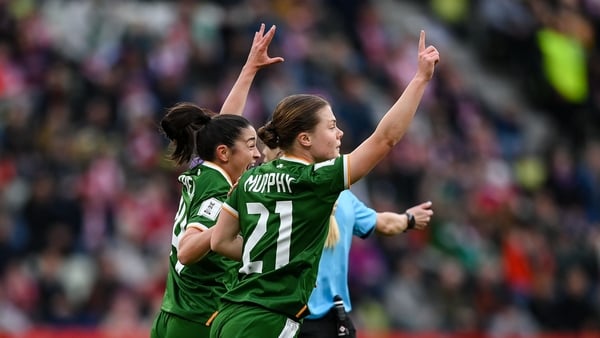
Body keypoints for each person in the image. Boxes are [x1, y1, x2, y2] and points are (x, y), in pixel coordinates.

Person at [209, 30, 439, 338]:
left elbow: (220, 242)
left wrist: (269, 254)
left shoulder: (250, 177)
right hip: (271, 321)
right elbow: (385, 139)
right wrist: (420, 79)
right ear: (304, 139)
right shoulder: (317, 180)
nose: (340, 133)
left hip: (231, 317)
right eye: (331, 126)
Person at [150, 24, 283, 338]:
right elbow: (187, 249)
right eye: (251, 147)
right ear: (224, 153)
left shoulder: (206, 168)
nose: (258, 155)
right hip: (200, 319)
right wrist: (225, 235)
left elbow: (224, 125)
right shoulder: (220, 189)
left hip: (175, 312)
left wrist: (249, 69)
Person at [261, 146, 434, 338]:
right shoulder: (343, 197)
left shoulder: (273, 194)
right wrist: (408, 219)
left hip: (286, 317)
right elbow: (384, 224)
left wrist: (407, 219)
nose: (260, 154)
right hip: (327, 322)